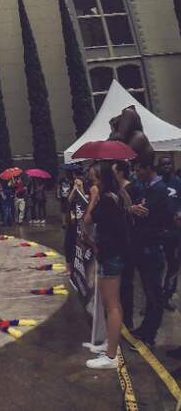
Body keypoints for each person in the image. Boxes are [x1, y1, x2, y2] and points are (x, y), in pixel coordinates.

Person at [84, 161, 130, 370]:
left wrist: (93, 197)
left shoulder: (107, 200)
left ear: (101, 180)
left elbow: (87, 220)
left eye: (93, 179)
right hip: (111, 254)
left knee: (112, 306)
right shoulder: (114, 197)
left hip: (110, 256)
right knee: (112, 304)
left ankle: (111, 356)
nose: (91, 182)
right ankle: (109, 344)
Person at [123, 159, 172, 347]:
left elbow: (147, 215)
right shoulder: (149, 188)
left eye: (139, 169)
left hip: (152, 248)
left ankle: (150, 335)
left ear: (148, 168)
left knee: (154, 295)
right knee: (149, 293)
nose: (136, 173)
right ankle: (145, 329)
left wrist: (136, 211)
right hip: (146, 248)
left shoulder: (158, 189)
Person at [158, 157, 181, 310]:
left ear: (172, 166)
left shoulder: (178, 183)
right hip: (158, 232)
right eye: (163, 164)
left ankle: (167, 296)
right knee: (157, 266)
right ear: (159, 166)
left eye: (169, 164)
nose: (166, 166)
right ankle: (154, 299)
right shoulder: (156, 183)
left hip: (175, 232)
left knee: (173, 265)